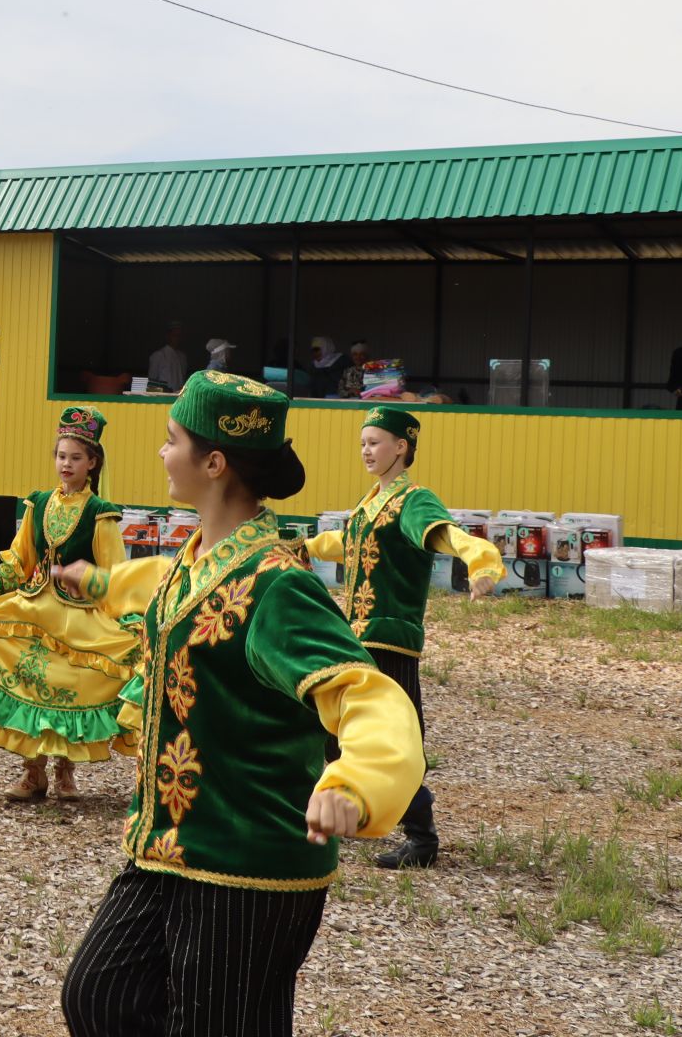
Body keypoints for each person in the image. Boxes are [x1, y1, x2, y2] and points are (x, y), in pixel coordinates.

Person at [60, 371, 423, 1037]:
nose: (162, 454)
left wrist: (356, 781)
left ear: (214, 462)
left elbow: (369, 695)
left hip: (249, 867)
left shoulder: (277, 587)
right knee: (100, 996)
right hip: (169, 850)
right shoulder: (195, 560)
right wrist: (99, 581)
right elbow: (150, 587)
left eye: (172, 441)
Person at [305, 407, 504, 869]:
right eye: (362, 444)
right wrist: (301, 547)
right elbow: (344, 542)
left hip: (390, 640)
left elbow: (446, 535)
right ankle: (347, 813)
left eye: (375, 442)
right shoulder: (371, 501)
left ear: (402, 447)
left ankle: (422, 838)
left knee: (394, 736)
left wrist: (481, 561)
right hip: (353, 638)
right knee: (333, 729)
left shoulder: (413, 500)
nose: (366, 451)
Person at [0, 406, 165, 803]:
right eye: (62, 456)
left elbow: (116, 575)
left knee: (69, 684)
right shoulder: (39, 504)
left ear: (92, 462)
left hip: (79, 618)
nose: (67, 464)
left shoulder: (100, 515)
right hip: (35, 609)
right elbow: (21, 558)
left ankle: (66, 771)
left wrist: (132, 620)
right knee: (29, 682)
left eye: (76, 458)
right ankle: (33, 773)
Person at [147, 321, 189, 392]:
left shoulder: (183, 357)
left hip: (180, 397)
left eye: (179, 335)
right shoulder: (158, 355)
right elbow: (151, 382)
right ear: (168, 336)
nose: (177, 338)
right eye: (174, 335)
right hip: (163, 398)